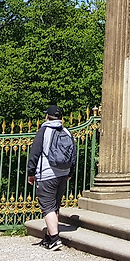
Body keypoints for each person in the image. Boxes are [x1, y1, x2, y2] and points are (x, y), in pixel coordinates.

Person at [27, 104, 75, 250]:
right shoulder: (66, 131)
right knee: (55, 206)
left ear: (47, 116)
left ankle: (54, 239)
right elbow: (73, 154)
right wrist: (70, 173)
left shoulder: (44, 131)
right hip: (63, 174)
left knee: (47, 207)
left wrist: (31, 173)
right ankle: (48, 238)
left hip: (47, 174)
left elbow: (35, 153)